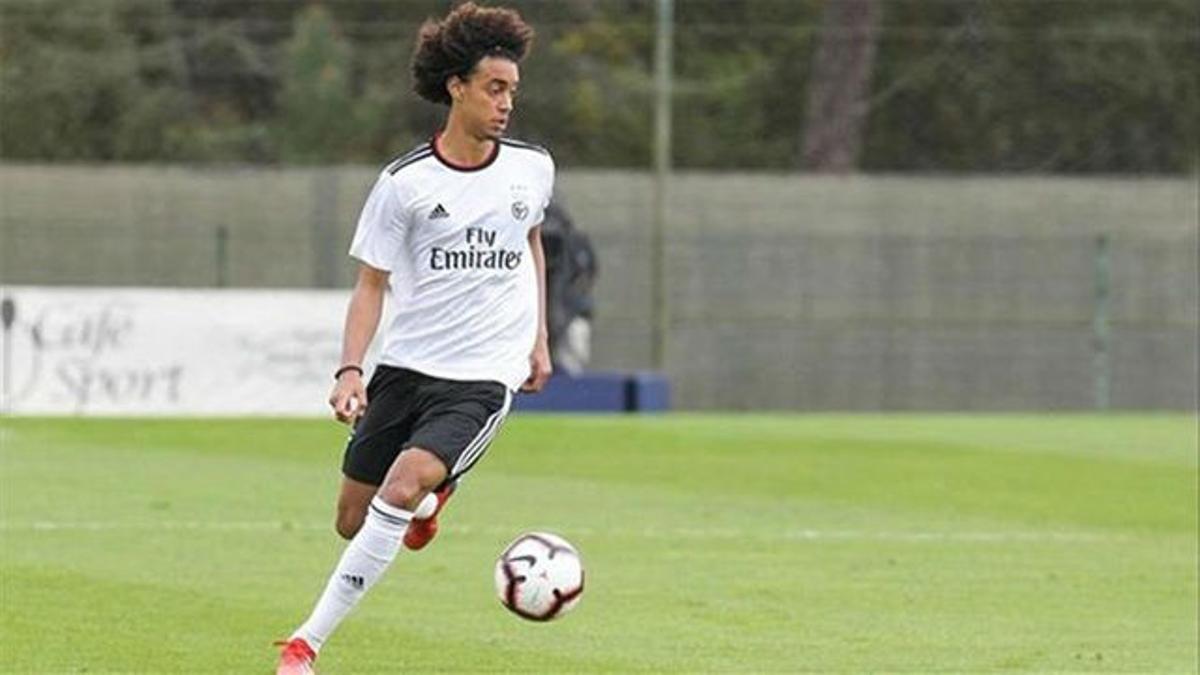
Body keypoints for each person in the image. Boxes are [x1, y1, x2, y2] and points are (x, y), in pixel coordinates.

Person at [275, 4, 552, 672]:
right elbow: (371, 283)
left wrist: (538, 334)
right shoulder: (403, 186)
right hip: (405, 366)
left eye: (512, 89)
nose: (506, 102)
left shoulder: (533, 167)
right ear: (456, 85)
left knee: (399, 488)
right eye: (494, 88)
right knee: (352, 516)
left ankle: (303, 643)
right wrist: (350, 370)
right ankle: (431, 500)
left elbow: (532, 240)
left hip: (482, 376)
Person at [540, 201, 598, 375]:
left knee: (572, 359)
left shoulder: (576, 243)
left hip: (571, 313)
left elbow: (589, 273)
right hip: (538, 317)